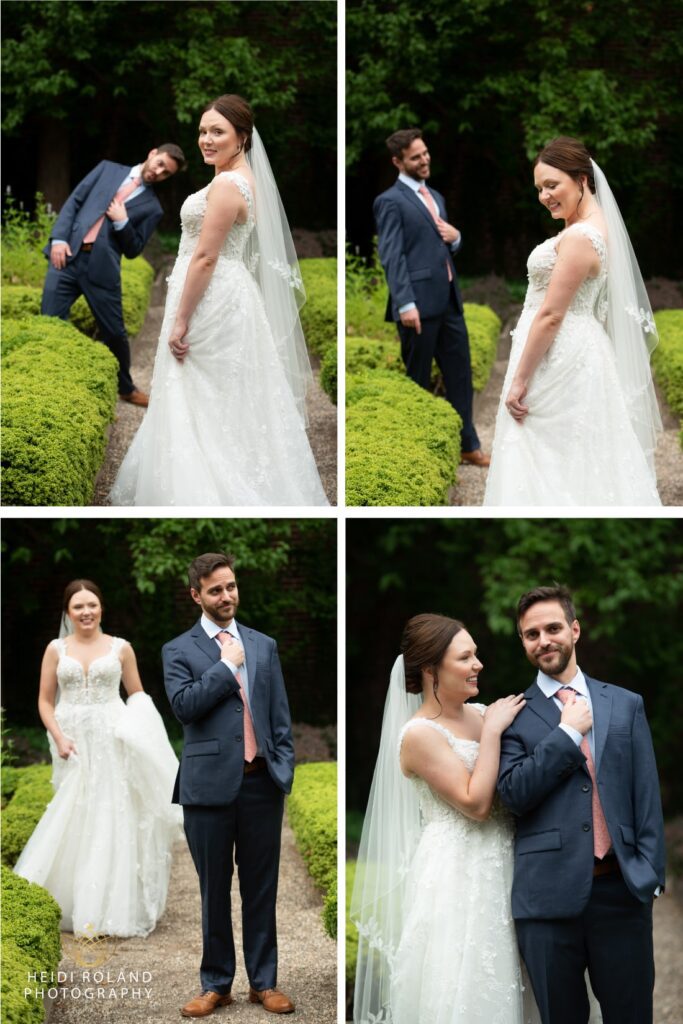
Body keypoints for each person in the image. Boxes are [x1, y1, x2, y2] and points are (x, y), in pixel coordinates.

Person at [109, 94, 328, 506]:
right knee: (214, 398)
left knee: (199, 393)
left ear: (242, 137)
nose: (206, 140)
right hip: (224, 292)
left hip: (212, 299)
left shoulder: (229, 185)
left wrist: (179, 319)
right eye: (203, 132)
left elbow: (206, 257)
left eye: (217, 132)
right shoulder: (236, 178)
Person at [351, 613, 543, 1024]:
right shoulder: (419, 735)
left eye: (476, 655)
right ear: (431, 669)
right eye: (466, 657)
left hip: (511, 864)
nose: (479, 664)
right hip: (460, 876)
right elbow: (475, 804)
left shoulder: (480, 712)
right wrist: (492, 732)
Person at [497, 585, 666, 1024]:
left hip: (621, 894)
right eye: (531, 634)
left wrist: (649, 877)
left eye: (552, 628)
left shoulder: (626, 704)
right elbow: (513, 794)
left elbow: (645, 795)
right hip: (546, 901)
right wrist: (567, 735)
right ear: (523, 642)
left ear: (574, 629)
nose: (543, 640)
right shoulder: (510, 715)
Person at [484, 136, 662, 506]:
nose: (544, 196)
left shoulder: (582, 236)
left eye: (553, 185)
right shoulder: (586, 227)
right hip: (571, 350)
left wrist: (518, 380)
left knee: (548, 455)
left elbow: (551, 315)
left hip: (559, 359)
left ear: (581, 180)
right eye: (539, 188)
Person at [163, 552, 295, 1018]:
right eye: (215, 589)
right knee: (213, 889)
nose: (227, 596)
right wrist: (225, 666)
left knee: (262, 888)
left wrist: (284, 768)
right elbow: (184, 707)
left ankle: (264, 982)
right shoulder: (177, 650)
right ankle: (216, 983)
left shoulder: (264, 645)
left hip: (261, 783)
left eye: (231, 586)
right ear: (196, 594)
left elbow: (279, 714)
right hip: (206, 789)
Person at [13, 579, 182, 937]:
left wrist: (138, 735)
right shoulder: (56, 649)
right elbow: (45, 700)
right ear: (68, 612)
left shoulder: (121, 649)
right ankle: (65, 901)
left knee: (111, 814)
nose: (86, 612)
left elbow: (137, 696)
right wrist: (58, 736)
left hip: (112, 740)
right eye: (78, 607)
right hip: (72, 742)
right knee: (74, 813)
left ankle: (111, 908)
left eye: (92, 605)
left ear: (101, 607)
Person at [373, 128, 489, 469]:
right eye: (415, 157)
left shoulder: (435, 196)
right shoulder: (389, 201)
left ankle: (468, 445)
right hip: (417, 308)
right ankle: (417, 453)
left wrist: (457, 238)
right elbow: (392, 256)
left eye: (425, 153)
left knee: (460, 377)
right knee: (418, 380)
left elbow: (440, 244)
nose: (424, 160)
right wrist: (405, 304)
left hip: (450, 301)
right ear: (398, 162)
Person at [41, 145, 186, 407]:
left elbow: (133, 249)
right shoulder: (107, 169)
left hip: (102, 270)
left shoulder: (153, 209)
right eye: (161, 163)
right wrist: (59, 239)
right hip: (66, 257)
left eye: (166, 173)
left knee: (115, 333)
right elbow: (75, 200)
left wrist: (122, 221)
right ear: (152, 153)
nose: (159, 171)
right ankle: (50, 378)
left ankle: (126, 388)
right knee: (49, 320)